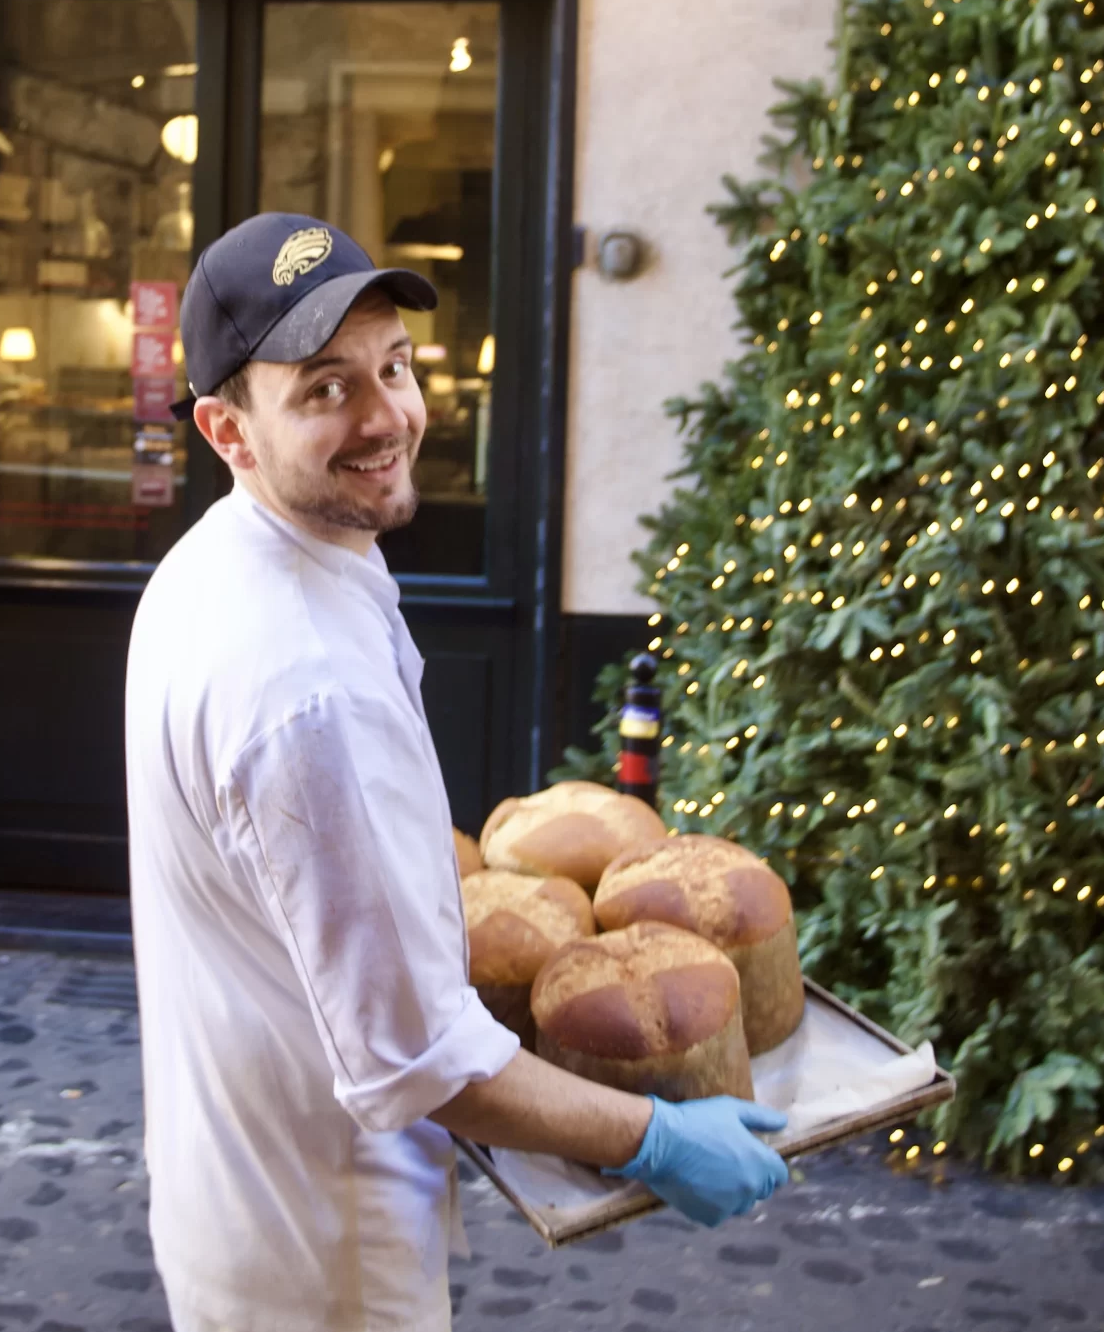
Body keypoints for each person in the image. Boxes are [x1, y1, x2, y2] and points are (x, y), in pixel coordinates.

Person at [125, 212, 787, 1332]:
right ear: (226, 428)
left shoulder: (219, 560)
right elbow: (419, 1060)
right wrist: (657, 1138)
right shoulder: (304, 686)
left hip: (243, 1190)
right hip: (322, 1249)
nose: (387, 415)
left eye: (393, 364)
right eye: (324, 388)